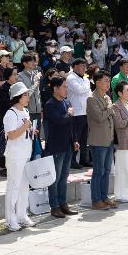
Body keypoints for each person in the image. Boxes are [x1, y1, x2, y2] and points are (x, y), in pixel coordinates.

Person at [0, 84, 35, 231]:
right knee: (13, 186)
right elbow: (12, 135)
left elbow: (24, 131)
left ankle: (22, 215)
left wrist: (31, 129)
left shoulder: (25, 111)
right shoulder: (11, 114)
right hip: (15, 155)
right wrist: (25, 126)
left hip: (26, 152)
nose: (27, 97)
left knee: (24, 186)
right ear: (17, 97)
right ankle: (10, 218)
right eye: (25, 95)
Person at [42, 75, 77, 219]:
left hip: (68, 144)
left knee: (64, 176)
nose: (66, 89)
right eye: (63, 87)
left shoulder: (66, 102)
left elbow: (70, 124)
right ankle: (54, 206)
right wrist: (68, 114)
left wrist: (74, 140)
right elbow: (59, 121)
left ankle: (63, 204)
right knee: (54, 178)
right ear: (55, 88)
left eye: (66, 87)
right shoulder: (50, 104)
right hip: (56, 146)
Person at [85, 71, 115, 210]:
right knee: (98, 171)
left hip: (108, 139)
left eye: (109, 81)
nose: (108, 83)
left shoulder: (107, 97)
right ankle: (96, 200)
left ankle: (104, 197)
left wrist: (109, 108)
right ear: (97, 82)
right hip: (98, 140)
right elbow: (99, 116)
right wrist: (109, 108)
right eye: (105, 80)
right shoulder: (91, 98)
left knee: (107, 170)